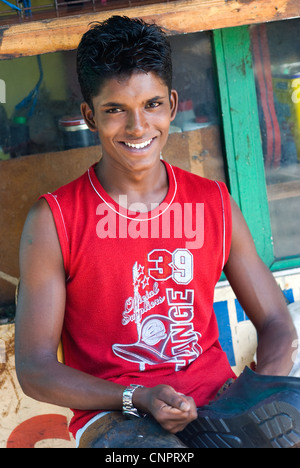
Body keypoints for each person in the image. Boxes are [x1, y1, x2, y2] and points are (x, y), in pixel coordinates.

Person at [15, 15, 300, 449]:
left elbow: (277, 322)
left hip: (220, 402)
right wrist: (138, 397)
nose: (137, 127)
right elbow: (35, 368)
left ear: (171, 104)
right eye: (115, 110)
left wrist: (253, 398)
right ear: (90, 116)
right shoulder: (54, 220)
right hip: (117, 414)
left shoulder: (213, 203)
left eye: (151, 105)